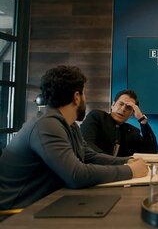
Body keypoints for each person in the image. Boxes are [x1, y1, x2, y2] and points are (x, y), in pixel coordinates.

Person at [0, 66, 148, 211]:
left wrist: (127, 161)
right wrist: (130, 170)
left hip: (44, 204)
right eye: (84, 94)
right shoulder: (46, 125)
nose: (85, 98)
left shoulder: (70, 125)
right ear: (77, 97)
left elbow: (89, 155)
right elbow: (76, 175)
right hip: (15, 214)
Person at [81, 89, 158, 157]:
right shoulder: (97, 117)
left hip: (119, 172)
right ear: (113, 105)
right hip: (92, 170)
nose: (123, 109)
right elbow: (86, 144)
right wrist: (113, 161)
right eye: (121, 104)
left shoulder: (132, 131)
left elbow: (152, 151)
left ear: (132, 114)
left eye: (128, 107)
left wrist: (142, 120)